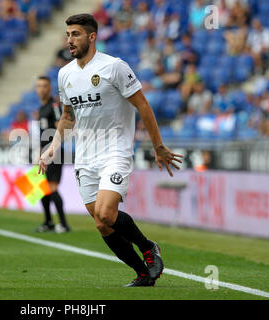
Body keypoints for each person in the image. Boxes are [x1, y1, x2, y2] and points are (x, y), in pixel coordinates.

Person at [38, 14, 183, 287]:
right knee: (102, 224)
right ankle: (143, 273)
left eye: (76, 34)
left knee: (106, 213)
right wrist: (52, 148)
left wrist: (158, 145)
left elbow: (142, 105)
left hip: (114, 151)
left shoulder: (114, 67)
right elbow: (68, 116)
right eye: (68, 34)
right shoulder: (64, 74)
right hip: (85, 156)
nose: (69, 40)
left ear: (92, 37)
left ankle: (148, 246)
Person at [35, 76, 70, 234]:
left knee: (52, 187)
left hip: (54, 152)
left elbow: (59, 127)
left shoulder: (54, 105)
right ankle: (48, 222)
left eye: (44, 86)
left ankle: (63, 224)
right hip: (44, 152)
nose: (41, 89)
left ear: (49, 88)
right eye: (39, 86)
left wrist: (52, 150)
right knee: (42, 188)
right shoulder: (41, 108)